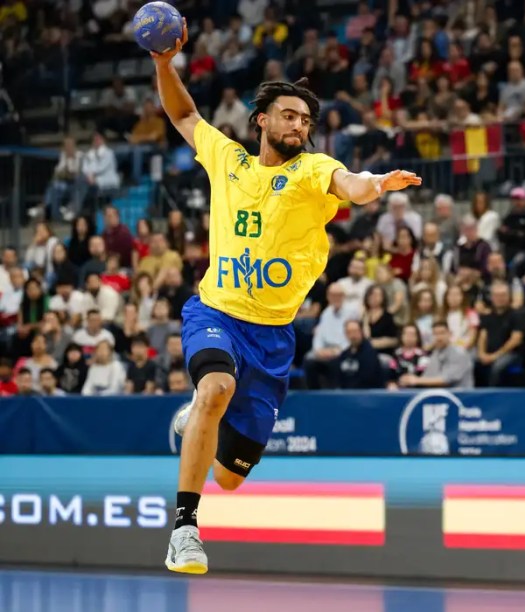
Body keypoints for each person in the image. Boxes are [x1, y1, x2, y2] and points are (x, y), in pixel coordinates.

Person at [152, 23, 421, 574]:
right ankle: (184, 529)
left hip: (273, 337)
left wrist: (375, 185)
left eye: (306, 120)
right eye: (290, 116)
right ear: (263, 120)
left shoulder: (312, 172)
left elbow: (350, 183)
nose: (300, 125)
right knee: (217, 385)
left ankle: (197, 417)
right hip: (216, 313)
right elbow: (184, 117)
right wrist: (163, 63)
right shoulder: (229, 161)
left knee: (229, 477)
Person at [399, 321, 474, 389]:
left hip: (462, 398)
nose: (439, 337)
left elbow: (446, 380)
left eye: (442, 333)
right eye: (435, 334)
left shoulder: (460, 353)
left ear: (450, 334)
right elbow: (427, 377)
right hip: (440, 397)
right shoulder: (435, 353)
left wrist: (416, 380)